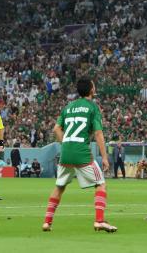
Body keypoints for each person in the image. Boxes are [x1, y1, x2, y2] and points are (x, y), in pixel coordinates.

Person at [42, 78, 116, 233]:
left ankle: (47, 222)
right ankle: (99, 221)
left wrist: (66, 143)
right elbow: (98, 133)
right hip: (81, 152)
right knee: (101, 184)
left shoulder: (68, 107)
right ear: (91, 90)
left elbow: (56, 129)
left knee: (60, 186)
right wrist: (104, 157)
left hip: (65, 152)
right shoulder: (93, 107)